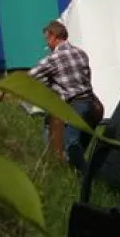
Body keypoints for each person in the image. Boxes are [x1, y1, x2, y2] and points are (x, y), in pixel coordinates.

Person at [27, 20, 103, 170]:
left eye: (47, 39)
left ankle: (84, 176)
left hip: (75, 104)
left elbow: (31, 76)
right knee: (55, 130)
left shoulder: (54, 59)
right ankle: (65, 168)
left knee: (71, 143)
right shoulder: (81, 53)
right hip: (92, 104)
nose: (47, 43)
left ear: (53, 37)